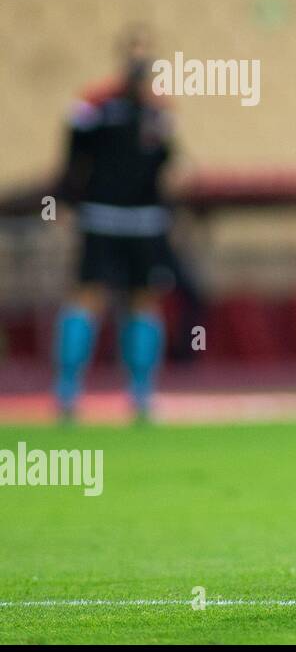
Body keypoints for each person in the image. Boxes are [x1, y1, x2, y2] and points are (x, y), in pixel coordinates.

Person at [52, 26, 177, 423]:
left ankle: (141, 391)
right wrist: (68, 202)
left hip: (144, 220)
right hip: (102, 216)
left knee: (144, 301)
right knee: (87, 296)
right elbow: (72, 159)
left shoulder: (158, 110)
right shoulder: (93, 104)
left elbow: (164, 164)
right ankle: (68, 388)